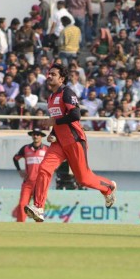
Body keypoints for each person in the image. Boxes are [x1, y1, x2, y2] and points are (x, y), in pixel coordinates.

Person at [24, 64, 117, 222]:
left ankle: (108, 187)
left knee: (83, 179)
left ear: (61, 78)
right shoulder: (51, 98)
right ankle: (39, 207)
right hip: (59, 143)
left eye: (53, 74)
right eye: (49, 74)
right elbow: (58, 120)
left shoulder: (67, 92)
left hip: (74, 140)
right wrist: (53, 133)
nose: (49, 76)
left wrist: (54, 122)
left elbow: (75, 115)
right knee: (44, 169)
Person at [12, 128, 49, 222]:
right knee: (22, 205)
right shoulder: (25, 148)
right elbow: (15, 158)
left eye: (38, 134)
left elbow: (56, 160)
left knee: (39, 208)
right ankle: (20, 226)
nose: (35, 136)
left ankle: (38, 228)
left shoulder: (47, 149)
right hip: (28, 183)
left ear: (41, 137)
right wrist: (19, 171)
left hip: (40, 184)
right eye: (34, 134)